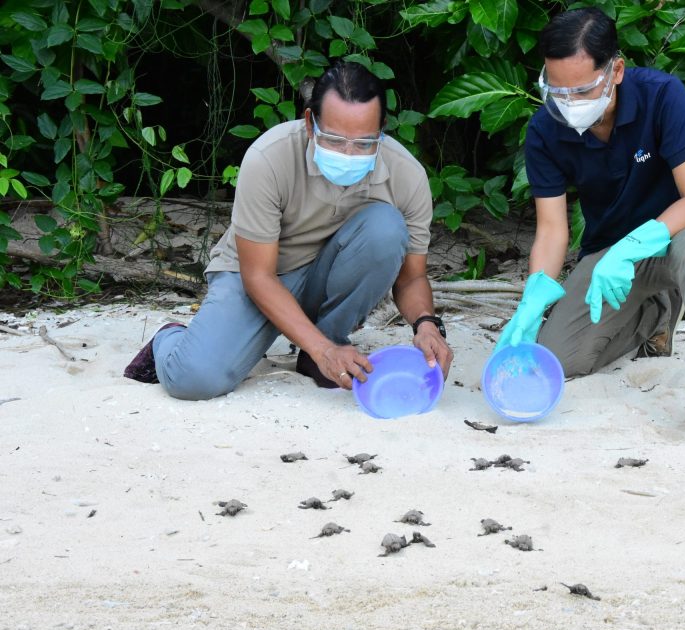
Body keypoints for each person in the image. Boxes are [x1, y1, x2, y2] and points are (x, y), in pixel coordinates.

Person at [495, 7, 685, 449]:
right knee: (560, 358)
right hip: (606, 258)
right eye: (556, 90)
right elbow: (553, 228)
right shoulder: (544, 129)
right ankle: (655, 314)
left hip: (675, 238)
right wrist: (534, 294)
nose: (568, 102)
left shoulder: (662, 96)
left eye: (581, 90)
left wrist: (639, 243)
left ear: (615, 70)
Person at [124, 61, 453, 399]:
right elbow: (258, 277)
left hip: (324, 276)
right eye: (336, 140)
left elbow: (411, 278)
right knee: (193, 379)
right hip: (259, 274)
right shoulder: (269, 157)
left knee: (386, 228)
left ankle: (323, 345)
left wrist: (426, 324)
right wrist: (324, 351)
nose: (349, 153)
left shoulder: (408, 176)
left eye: (364, 142)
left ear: (382, 128)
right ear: (310, 123)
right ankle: (170, 337)